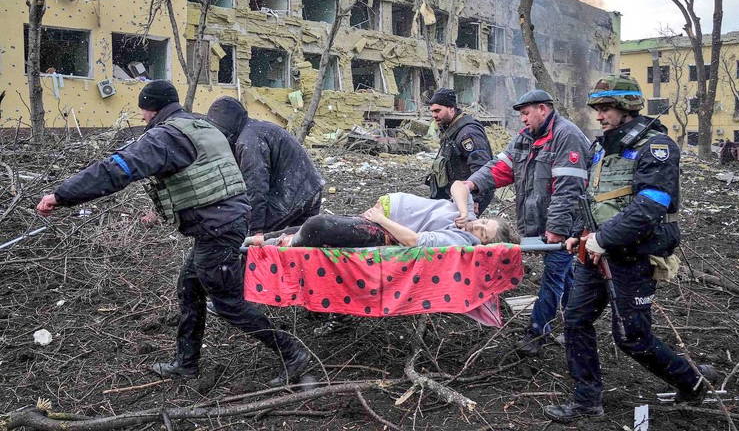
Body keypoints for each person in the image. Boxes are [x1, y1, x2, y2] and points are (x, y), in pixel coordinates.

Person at [35, 81, 309, 386]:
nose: (141, 117)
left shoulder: (165, 136)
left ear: (152, 109)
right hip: (224, 222)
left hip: (217, 227)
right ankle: (186, 363)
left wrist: (61, 196)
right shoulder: (199, 124)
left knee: (228, 302)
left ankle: (292, 352)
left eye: (142, 110)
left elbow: (116, 169)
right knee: (189, 288)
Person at [544, 75, 719, 422]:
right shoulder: (601, 147)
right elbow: (593, 199)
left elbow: (650, 205)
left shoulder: (656, 147)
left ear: (627, 108)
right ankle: (586, 402)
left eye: (606, 108)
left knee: (632, 338)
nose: (599, 115)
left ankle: (693, 383)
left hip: (632, 256)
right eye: (597, 108)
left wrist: (603, 239)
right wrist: (578, 234)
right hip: (594, 254)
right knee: (576, 320)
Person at [463, 89, 590, 355]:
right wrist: (472, 183)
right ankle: (576, 324)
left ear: (543, 109)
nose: (522, 119)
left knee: (554, 275)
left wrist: (556, 229)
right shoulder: (525, 139)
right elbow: (500, 168)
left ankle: (536, 332)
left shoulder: (567, 137)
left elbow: (568, 188)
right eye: (521, 114)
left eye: (526, 113)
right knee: (566, 275)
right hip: (541, 225)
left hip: (566, 225)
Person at [255, 182, 513, 248]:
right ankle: (257, 239)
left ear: (483, 244)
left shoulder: (459, 240)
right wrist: (466, 211)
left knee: (317, 225)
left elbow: (413, 241)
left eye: (482, 232)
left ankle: (276, 246)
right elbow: (459, 185)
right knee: (310, 225)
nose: (477, 226)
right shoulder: (465, 216)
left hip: (384, 229)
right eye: (483, 221)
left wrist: (381, 219)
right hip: (380, 215)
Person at [207, 96, 324, 240]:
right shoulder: (254, 129)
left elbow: (256, 188)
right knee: (298, 246)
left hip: (294, 193)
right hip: (309, 187)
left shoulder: (248, 142)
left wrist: (256, 230)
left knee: (252, 242)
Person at [425, 87, 495, 214]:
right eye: (432, 111)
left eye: (437, 111)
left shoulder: (468, 133)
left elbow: (481, 167)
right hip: (456, 194)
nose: (434, 115)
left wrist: (475, 199)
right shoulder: (451, 129)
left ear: (451, 108)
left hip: (468, 195)